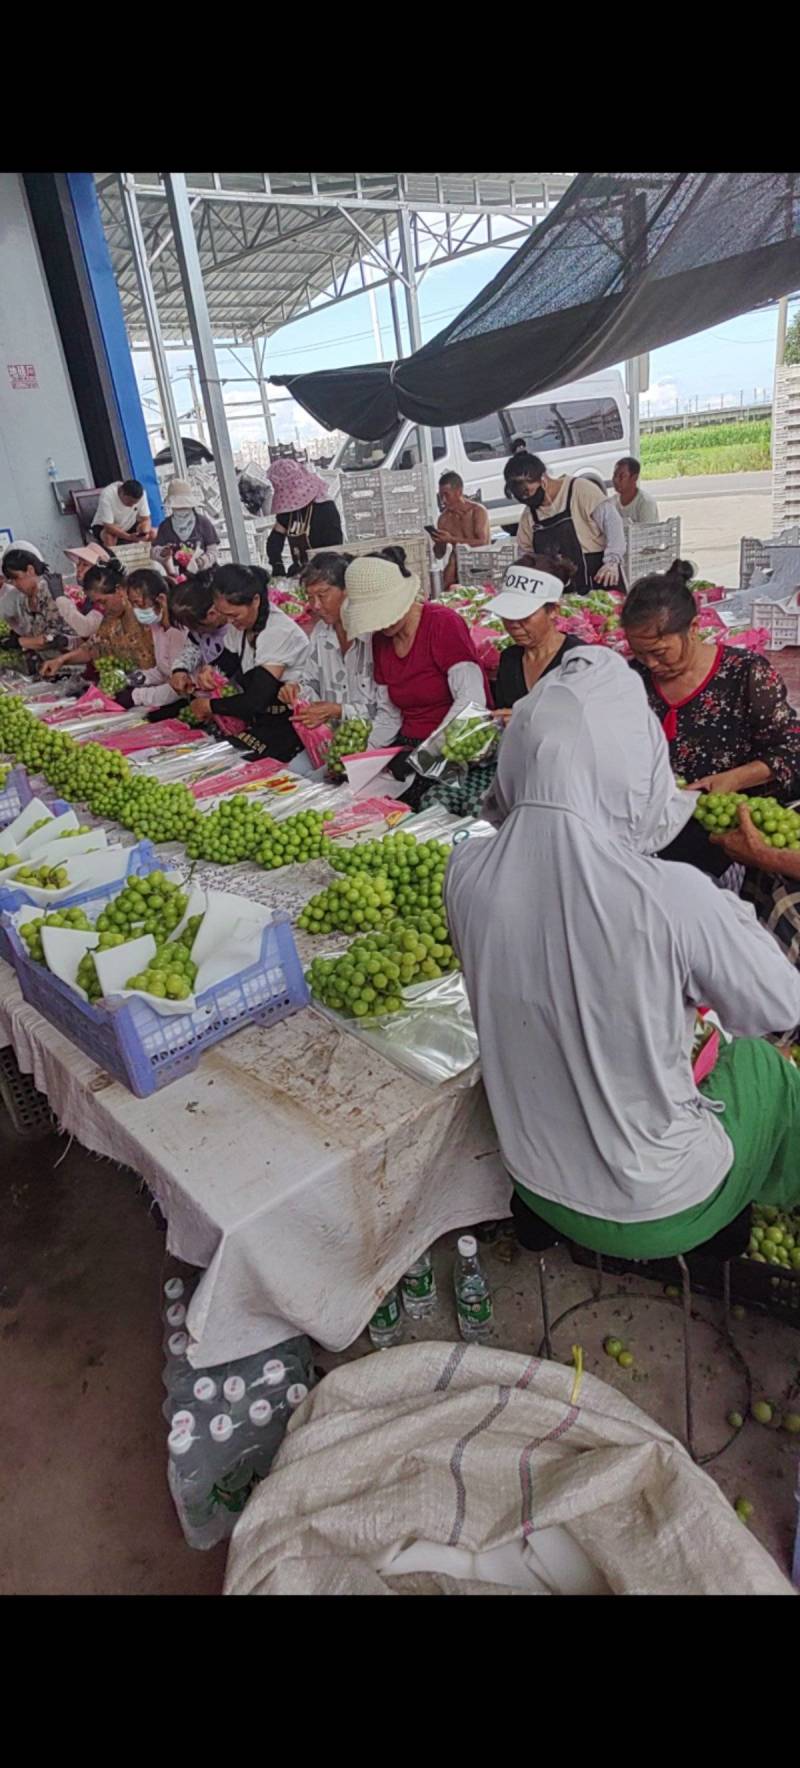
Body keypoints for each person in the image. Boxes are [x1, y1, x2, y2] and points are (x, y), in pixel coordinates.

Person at [445, 646, 800, 1262]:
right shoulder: (671, 897)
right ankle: (743, 1217)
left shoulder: (466, 873)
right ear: (632, 767)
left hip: (533, 1178)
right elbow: (778, 1004)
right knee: (766, 1069)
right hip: (658, 1205)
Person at [623, 560, 800, 798]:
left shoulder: (746, 673)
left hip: (736, 811)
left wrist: (735, 779)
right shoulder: (630, 677)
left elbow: (791, 749)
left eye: (659, 652)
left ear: (693, 627)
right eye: (639, 653)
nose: (651, 663)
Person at [187, 563, 310, 763]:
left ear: (255, 600)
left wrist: (209, 705)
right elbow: (227, 661)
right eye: (224, 615)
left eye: (234, 615)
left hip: (289, 724)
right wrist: (210, 669)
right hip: (261, 720)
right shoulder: (242, 625)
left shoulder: (277, 632)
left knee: (232, 761)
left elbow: (256, 700)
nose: (229, 622)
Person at [278, 551, 401, 747]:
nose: (315, 605)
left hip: (375, 743)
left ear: (347, 591)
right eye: (310, 597)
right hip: (333, 742)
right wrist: (297, 690)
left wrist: (339, 710)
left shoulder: (374, 637)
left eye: (322, 595)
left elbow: (388, 714)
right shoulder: (321, 632)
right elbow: (311, 682)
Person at [505, 450, 625, 593]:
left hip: (599, 578)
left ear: (543, 479)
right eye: (520, 496)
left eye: (527, 491)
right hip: (560, 589)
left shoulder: (580, 489)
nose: (526, 499)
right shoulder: (529, 516)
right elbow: (525, 553)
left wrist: (611, 562)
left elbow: (613, 524)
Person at [492, 555, 583, 719]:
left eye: (524, 614)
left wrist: (527, 720)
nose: (513, 623)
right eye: (507, 613)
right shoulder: (509, 659)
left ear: (553, 610)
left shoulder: (580, 660)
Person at [41, 559, 156, 678]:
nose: (101, 607)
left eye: (103, 601)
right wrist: (61, 661)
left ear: (119, 590)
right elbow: (93, 648)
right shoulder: (110, 618)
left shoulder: (143, 614)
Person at [114, 569, 186, 710]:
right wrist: (135, 678)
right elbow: (163, 670)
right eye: (133, 604)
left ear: (161, 600)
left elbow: (180, 685)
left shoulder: (180, 631)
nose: (136, 610)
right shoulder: (157, 627)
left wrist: (137, 696)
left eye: (139, 604)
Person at [266, 458, 343, 575]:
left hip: (325, 572)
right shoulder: (288, 511)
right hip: (300, 569)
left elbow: (333, 547)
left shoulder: (325, 508)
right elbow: (276, 537)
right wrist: (277, 563)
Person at [0, 544, 71, 655]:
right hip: (46, 664)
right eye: (10, 580)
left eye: (16, 578)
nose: (14, 584)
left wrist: (19, 642)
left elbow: (56, 638)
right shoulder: (24, 599)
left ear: (30, 570)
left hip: (69, 662)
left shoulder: (53, 592)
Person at [169, 572, 230, 698]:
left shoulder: (234, 629)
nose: (196, 632)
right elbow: (192, 649)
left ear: (211, 614)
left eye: (197, 627)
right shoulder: (197, 633)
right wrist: (180, 670)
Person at [430, 471, 491, 590]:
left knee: (456, 558)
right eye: (441, 496)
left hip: (480, 561)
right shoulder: (444, 519)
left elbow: (482, 542)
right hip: (457, 565)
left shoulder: (477, 511)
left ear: (459, 491)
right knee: (452, 560)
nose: (443, 501)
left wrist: (451, 539)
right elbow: (439, 554)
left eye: (447, 495)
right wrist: (439, 541)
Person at [155, 480, 219, 574]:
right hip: (180, 575)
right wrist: (162, 553)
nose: (182, 510)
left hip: (206, 573)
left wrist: (202, 561)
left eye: (185, 506)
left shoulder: (203, 522)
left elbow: (213, 550)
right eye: (178, 507)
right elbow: (156, 551)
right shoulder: (165, 526)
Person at [91, 478, 155, 548]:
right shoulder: (107, 495)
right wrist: (129, 537)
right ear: (121, 492)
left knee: (153, 533)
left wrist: (144, 532)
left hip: (129, 524)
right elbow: (108, 526)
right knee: (109, 537)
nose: (131, 505)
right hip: (105, 526)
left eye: (135, 503)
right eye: (129, 502)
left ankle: (150, 557)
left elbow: (146, 519)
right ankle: (112, 558)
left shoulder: (142, 494)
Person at [612, 456, 659, 527]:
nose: (616, 480)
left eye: (622, 476)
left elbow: (648, 534)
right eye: (615, 475)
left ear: (634, 478)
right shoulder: (613, 502)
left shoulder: (645, 503)